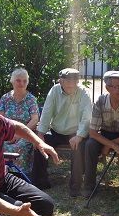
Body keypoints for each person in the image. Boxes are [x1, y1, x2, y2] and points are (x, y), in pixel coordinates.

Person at [32, 68, 92, 197]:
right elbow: (47, 112)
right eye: (68, 81)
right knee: (39, 145)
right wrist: (41, 134)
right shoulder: (54, 91)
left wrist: (79, 136)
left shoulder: (83, 93)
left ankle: (75, 186)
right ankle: (40, 182)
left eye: (74, 81)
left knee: (79, 147)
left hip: (76, 133)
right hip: (56, 131)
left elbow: (86, 117)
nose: (71, 84)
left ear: (77, 81)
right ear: (60, 81)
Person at [83, 70, 119, 205]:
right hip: (106, 133)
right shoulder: (101, 101)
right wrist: (113, 146)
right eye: (117, 87)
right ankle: (89, 186)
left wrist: (109, 145)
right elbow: (93, 132)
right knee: (90, 144)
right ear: (108, 88)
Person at [0, 68, 39, 176]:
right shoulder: (5, 98)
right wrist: (9, 133)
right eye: (18, 80)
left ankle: (22, 176)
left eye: (24, 81)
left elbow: (35, 119)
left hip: (26, 133)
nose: (22, 83)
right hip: (7, 132)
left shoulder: (31, 99)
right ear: (12, 81)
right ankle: (1, 174)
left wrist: (20, 134)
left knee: (19, 147)